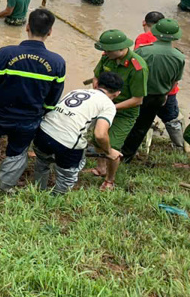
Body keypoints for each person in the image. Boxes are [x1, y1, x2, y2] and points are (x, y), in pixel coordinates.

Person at [0, 9, 66, 193]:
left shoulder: (7, 53)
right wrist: (40, 112)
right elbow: (53, 99)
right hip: (28, 120)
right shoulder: (57, 62)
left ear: (27, 27)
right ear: (50, 32)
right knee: (17, 153)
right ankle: (5, 188)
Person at [32, 72, 123, 195]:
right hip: (67, 144)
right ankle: (55, 199)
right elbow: (100, 134)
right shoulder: (108, 105)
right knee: (67, 177)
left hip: (43, 133)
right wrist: (109, 151)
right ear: (117, 93)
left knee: (42, 164)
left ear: (95, 84)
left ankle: (37, 191)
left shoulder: (75, 91)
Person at [86, 30, 147, 184]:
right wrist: (96, 85)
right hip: (105, 105)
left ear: (121, 49)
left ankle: (110, 180)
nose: (104, 52)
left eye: (108, 50)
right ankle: (101, 168)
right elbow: (97, 75)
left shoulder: (138, 67)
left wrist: (111, 108)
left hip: (125, 111)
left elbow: (137, 99)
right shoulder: (107, 58)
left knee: (111, 144)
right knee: (96, 138)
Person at [122, 18, 185, 161]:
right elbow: (174, 81)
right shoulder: (179, 56)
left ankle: (118, 152)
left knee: (129, 122)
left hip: (138, 94)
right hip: (158, 96)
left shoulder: (143, 51)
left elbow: (131, 73)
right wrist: (165, 95)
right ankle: (127, 155)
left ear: (155, 32)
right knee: (142, 127)